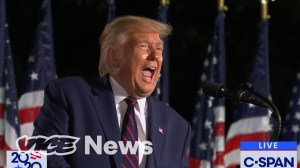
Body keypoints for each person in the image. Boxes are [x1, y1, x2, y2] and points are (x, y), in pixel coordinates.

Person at [28, 15, 191, 168]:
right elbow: (34, 160)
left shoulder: (178, 127)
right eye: (143, 46)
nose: (155, 55)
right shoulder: (69, 95)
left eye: (159, 48)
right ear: (113, 57)